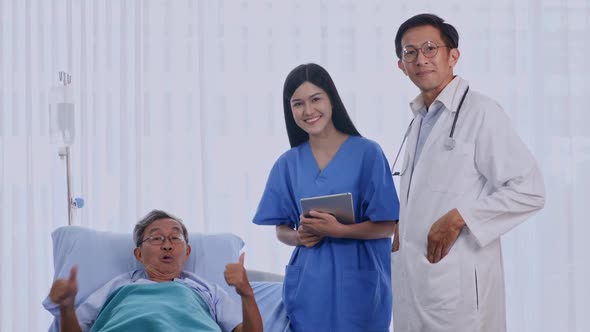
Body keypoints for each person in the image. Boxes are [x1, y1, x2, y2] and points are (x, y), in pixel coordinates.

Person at [390, 13, 546, 332]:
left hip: (457, 286)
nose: (421, 59)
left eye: (431, 48)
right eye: (410, 52)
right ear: (401, 65)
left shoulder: (481, 112)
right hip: (414, 281)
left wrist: (458, 218)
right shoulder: (419, 119)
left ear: (453, 56)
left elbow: (529, 190)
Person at [253, 63, 400, 331]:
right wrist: (297, 237)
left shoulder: (368, 153)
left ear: (332, 100)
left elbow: (388, 225)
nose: (308, 111)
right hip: (310, 285)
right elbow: (281, 229)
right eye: (298, 104)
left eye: (316, 99)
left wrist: (339, 230)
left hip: (360, 284)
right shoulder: (288, 163)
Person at [49, 210, 263, 332]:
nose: (167, 245)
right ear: (139, 254)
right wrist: (67, 307)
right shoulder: (117, 287)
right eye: (156, 238)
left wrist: (247, 294)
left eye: (175, 237)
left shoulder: (208, 291)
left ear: (187, 251)